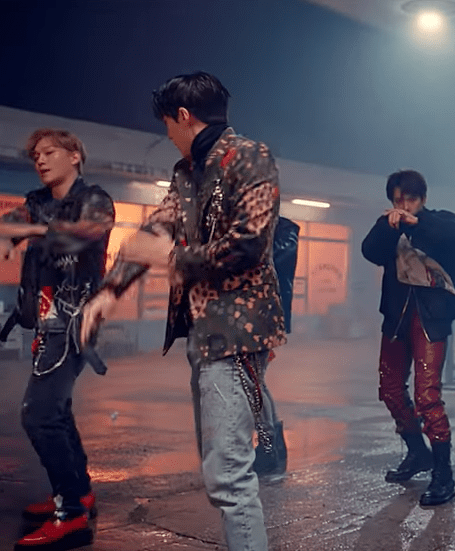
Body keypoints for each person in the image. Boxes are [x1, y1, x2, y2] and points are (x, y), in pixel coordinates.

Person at [81, 71, 286, 551]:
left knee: (229, 476)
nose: (167, 135)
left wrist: (173, 259)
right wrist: (110, 292)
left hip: (236, 334)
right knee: (224, 474)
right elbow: (157, 228)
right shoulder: (186, 171)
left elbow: (249, 245)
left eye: (168, 125)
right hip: (206, 334)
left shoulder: (249, 157)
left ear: (183, 116)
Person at [1, 129, 114, 550]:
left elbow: (84, 234)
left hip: (75, 320)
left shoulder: (95, 199)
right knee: (57, 411)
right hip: (47, 320)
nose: (41, 160)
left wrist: (32, 232)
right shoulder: (36, 202)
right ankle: (78, 494)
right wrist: (13, 231)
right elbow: (9, 224)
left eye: (49, 152)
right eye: (36, 155)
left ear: (74, 156)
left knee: (39, 413)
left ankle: (72, 517)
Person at [361, 169, 455, 506]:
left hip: (430, 318)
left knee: (427, 395)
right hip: (397, 318)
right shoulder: (389, 225)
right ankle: (417, 452)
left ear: (422, 199)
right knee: (390, 388)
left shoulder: (439, 221)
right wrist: (389, 226)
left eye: (410, 198)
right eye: (398, 199)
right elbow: (370, 251)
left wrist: (415, 223)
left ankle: (443, 473)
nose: (404, 205)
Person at [252, 216, 300, 478]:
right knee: (256, 381)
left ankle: (269, 448)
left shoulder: (276, 231)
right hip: (262, 316)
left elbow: (259, 267)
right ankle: (272, 448)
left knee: (252, 383)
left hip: (260, 317)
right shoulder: (280, 230)